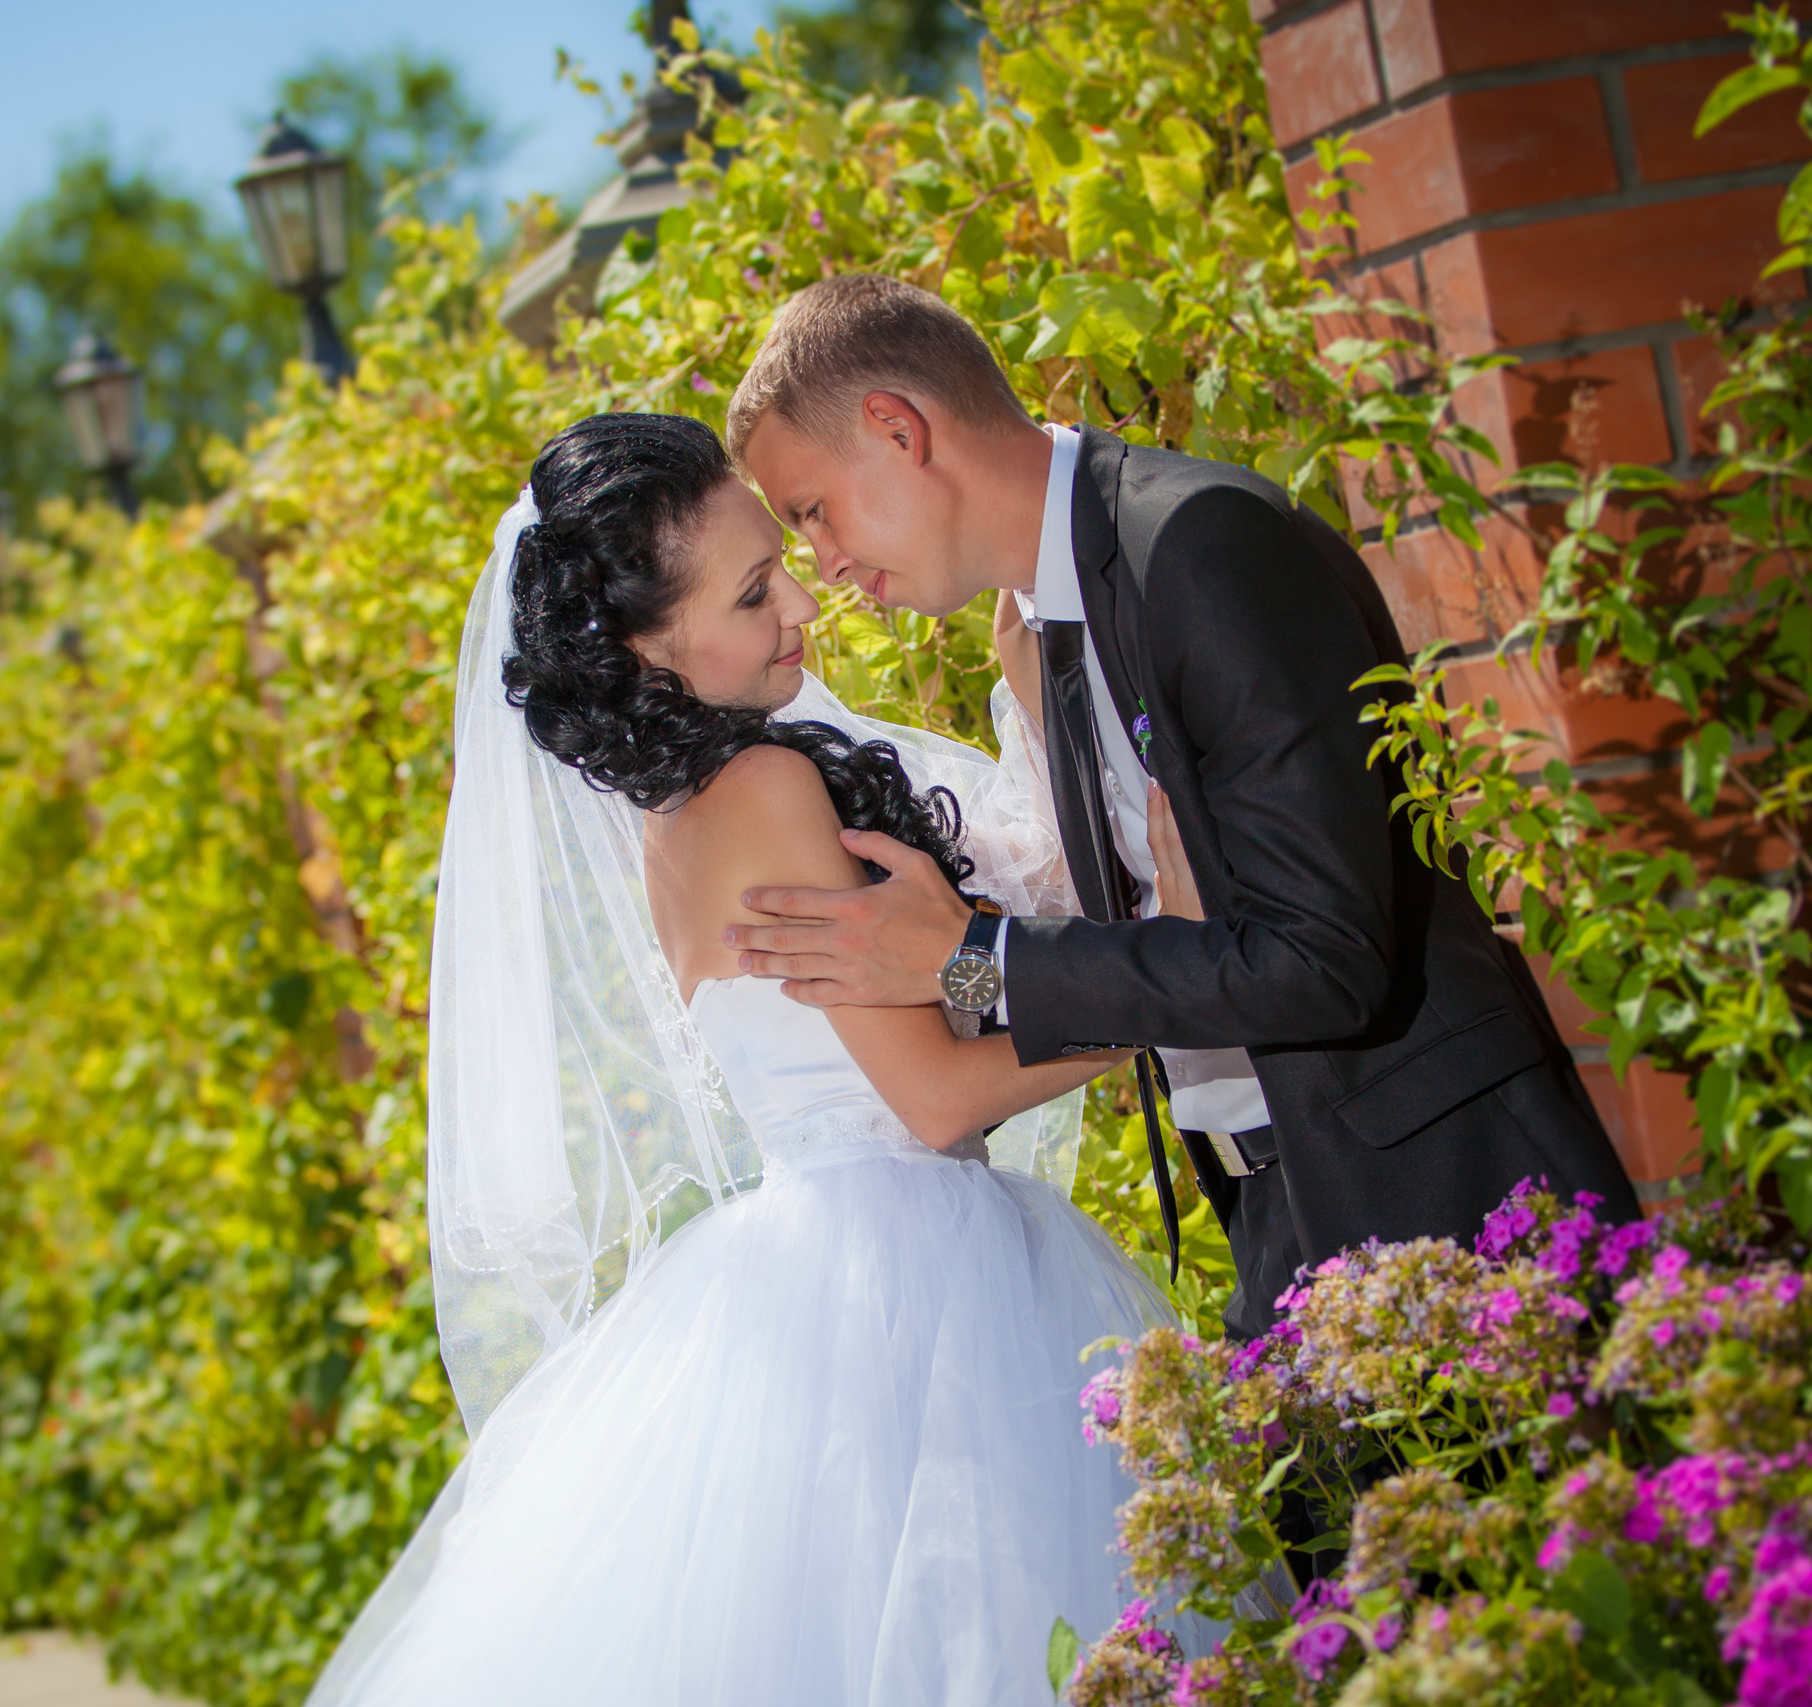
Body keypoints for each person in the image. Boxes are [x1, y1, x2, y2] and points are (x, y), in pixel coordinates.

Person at [305, 413, 1221, 1707]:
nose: (803, 600)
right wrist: (1166, 973)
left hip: (839, 1244)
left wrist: (999, 930)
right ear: (644, 648)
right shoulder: (767, 792)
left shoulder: (689, 810)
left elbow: (925, 999)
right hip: (909, 1270)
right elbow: (934, 1092)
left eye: (781, 557)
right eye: (751, 592)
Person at [722, 274, 1639, 1337]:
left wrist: (973, 954)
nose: (826, 566)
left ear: (896, 427)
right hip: (1270, 1210)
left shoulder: (1201, 545)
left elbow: (1321, 960)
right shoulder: (1032, 635)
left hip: (1437, 1188)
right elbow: (1167, 953)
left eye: (813, 512)